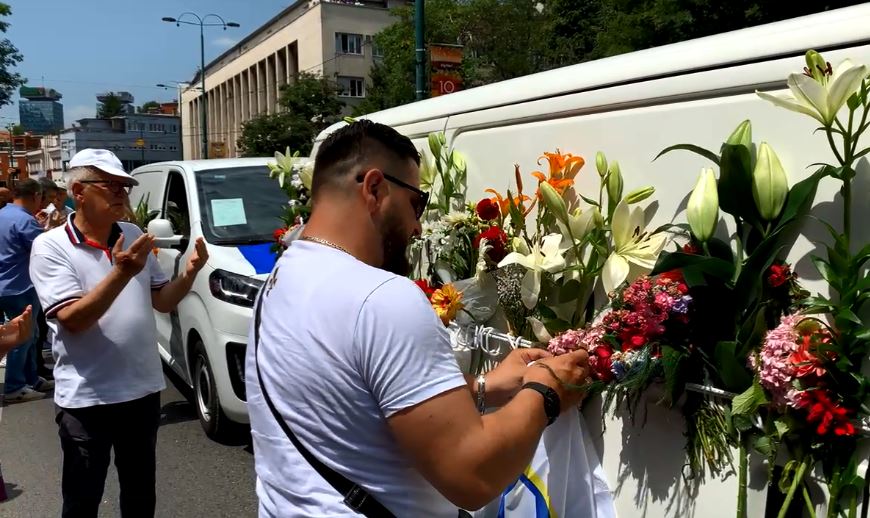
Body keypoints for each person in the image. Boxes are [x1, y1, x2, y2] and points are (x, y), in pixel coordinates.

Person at [246, 120, 591, 517]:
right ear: (374, 188)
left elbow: (356, 395)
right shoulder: (381, 298)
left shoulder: (280, 278)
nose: (417, 226)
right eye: (417, 203)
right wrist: (545, 392)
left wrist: (487, 387)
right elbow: (473, 475)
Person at [29, 148, 209, 518]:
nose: (121, 194)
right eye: (109, 186)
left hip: (140, 392)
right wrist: (121, 272)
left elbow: (161, 300)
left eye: (124, 187)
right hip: (86, 399)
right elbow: (74, 319)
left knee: (140, 496)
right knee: (82, 500)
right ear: (78, 192)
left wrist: (189, 275)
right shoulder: (50, 246)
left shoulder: (131, 233)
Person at [0, 179, 52, 403]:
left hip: (6, 285)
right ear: (35, 196)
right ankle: (15, 386)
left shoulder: (3, 215)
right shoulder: (24, 220)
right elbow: (44, 250)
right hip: (20, 285)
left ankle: (31, 378)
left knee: (29, 335)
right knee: (23, 337)